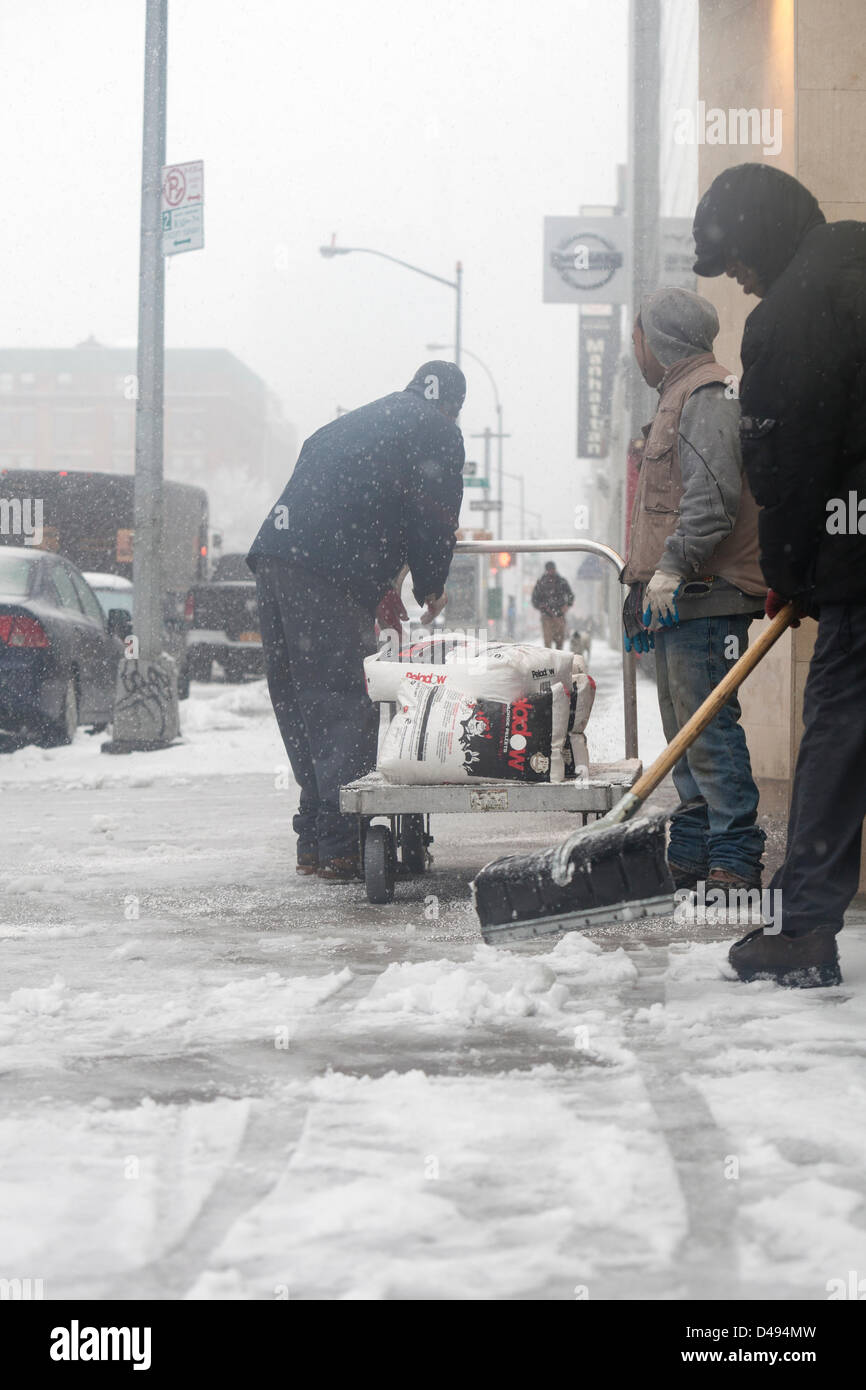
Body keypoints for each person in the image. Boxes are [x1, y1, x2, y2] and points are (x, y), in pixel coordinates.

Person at [693, 162, 866, 987]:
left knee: (838, 731)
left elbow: (786, 467)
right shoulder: (856, 263)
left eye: (733, 259)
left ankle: (801, 930)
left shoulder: (791, 316)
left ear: (760, 233)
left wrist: (792, 572)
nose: (736, 278)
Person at [247, 360, 466, 881]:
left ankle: (314, 838)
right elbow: (433, 513)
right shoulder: (436, 429)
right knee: (343, 699)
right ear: (453, 406)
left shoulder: (351, 424)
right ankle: (344, 844)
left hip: (275, 557)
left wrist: (378, 586)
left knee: (299, 700)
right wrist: (431, 583)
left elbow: (347, 502)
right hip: (327, 569)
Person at [623, 287, 767, 895]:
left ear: (659, 341)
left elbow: (711, 503)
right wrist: (642, 585)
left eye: (638, 337)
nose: (636, 350)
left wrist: (672, 568)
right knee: (683, 734)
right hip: (679, 596)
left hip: (706, 593)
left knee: (709, 731)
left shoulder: (705, 396)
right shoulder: (676, 398)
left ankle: (734, 858)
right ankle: (694, 850)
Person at [532, 561, 573, 648]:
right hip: (546, 617)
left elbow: (570, 595)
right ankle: (549, 661)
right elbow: (535, 600)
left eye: (553, 569)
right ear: (546, 570)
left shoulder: (561, 581)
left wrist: (567, 605)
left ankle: (557, 661)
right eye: (550, 569)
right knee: (548, 643)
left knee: (559, 643)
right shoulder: (541, 583)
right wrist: (542, 606)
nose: (552, 571)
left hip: (559, 616)